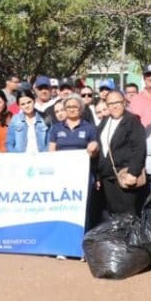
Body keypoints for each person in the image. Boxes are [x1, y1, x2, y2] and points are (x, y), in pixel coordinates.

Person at [49, 94, 100, 231]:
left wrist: (94, 148)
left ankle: (83, 239)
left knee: (83, 208)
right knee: (62, 207)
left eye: (75, 107)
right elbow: (51, 152)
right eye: (68, 107)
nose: (71, 109)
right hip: (61, 175)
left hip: (83, 176)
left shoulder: (90, 128)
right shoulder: (56, 128)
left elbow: (95, 151)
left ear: (81, 109)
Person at [96, 91, 148, 216]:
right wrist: (98, 175)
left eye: (117, 102)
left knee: (128, 214)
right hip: (107, 177)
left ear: (124, 103)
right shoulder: (105, 121)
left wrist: (133, 173)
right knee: (113, 213)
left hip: (125, 175)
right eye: (110, 104)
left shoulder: (132, 121)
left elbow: (139, 148)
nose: (114, 106)